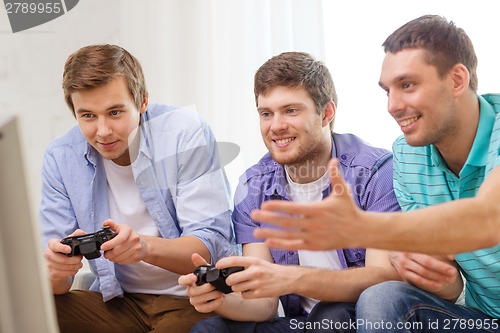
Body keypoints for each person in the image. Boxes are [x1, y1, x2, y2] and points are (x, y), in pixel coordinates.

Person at [251, 15, 500, 331]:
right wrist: (437, 277)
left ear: (456, 80)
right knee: (383, 297)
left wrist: (367, 226)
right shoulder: (409, 155)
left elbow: (487, 216)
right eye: (387, 91)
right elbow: (451, 287)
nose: (393, 106)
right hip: (482, 319)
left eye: (407, 85)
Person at [179, 51, 401, 333]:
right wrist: (218, 299)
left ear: (326, 113)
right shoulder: (253, 187)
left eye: (291, 110)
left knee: (331, 314)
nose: (276, 126)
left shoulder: (373, 172)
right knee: (209, 329)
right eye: (266, 113)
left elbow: (382, 280)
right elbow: (264, 304)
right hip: (301, 324)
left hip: (359, 318)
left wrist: (290, 278)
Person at [41, 44, 235, 333]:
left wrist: (143, 247)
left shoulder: (185, 132)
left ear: (142, 102)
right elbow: (56, 285)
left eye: (115, 112)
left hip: (191, 300)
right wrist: (57, 271)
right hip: (119, 303)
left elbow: (210, 245)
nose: (103, 131)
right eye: (88, 116)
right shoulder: (61, 156)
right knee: (26, 315)